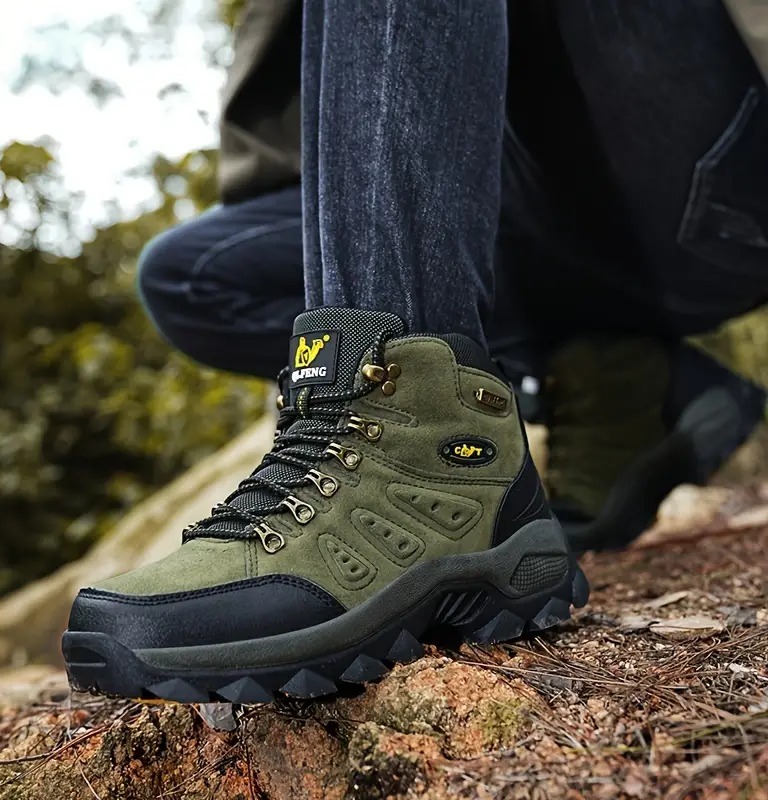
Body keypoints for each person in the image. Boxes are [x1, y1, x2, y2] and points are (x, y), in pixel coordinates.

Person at [63, 1, 768, 704]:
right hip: (523, 179)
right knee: (191, 277)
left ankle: (421, 439)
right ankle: (616, 380)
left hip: (713, 157)